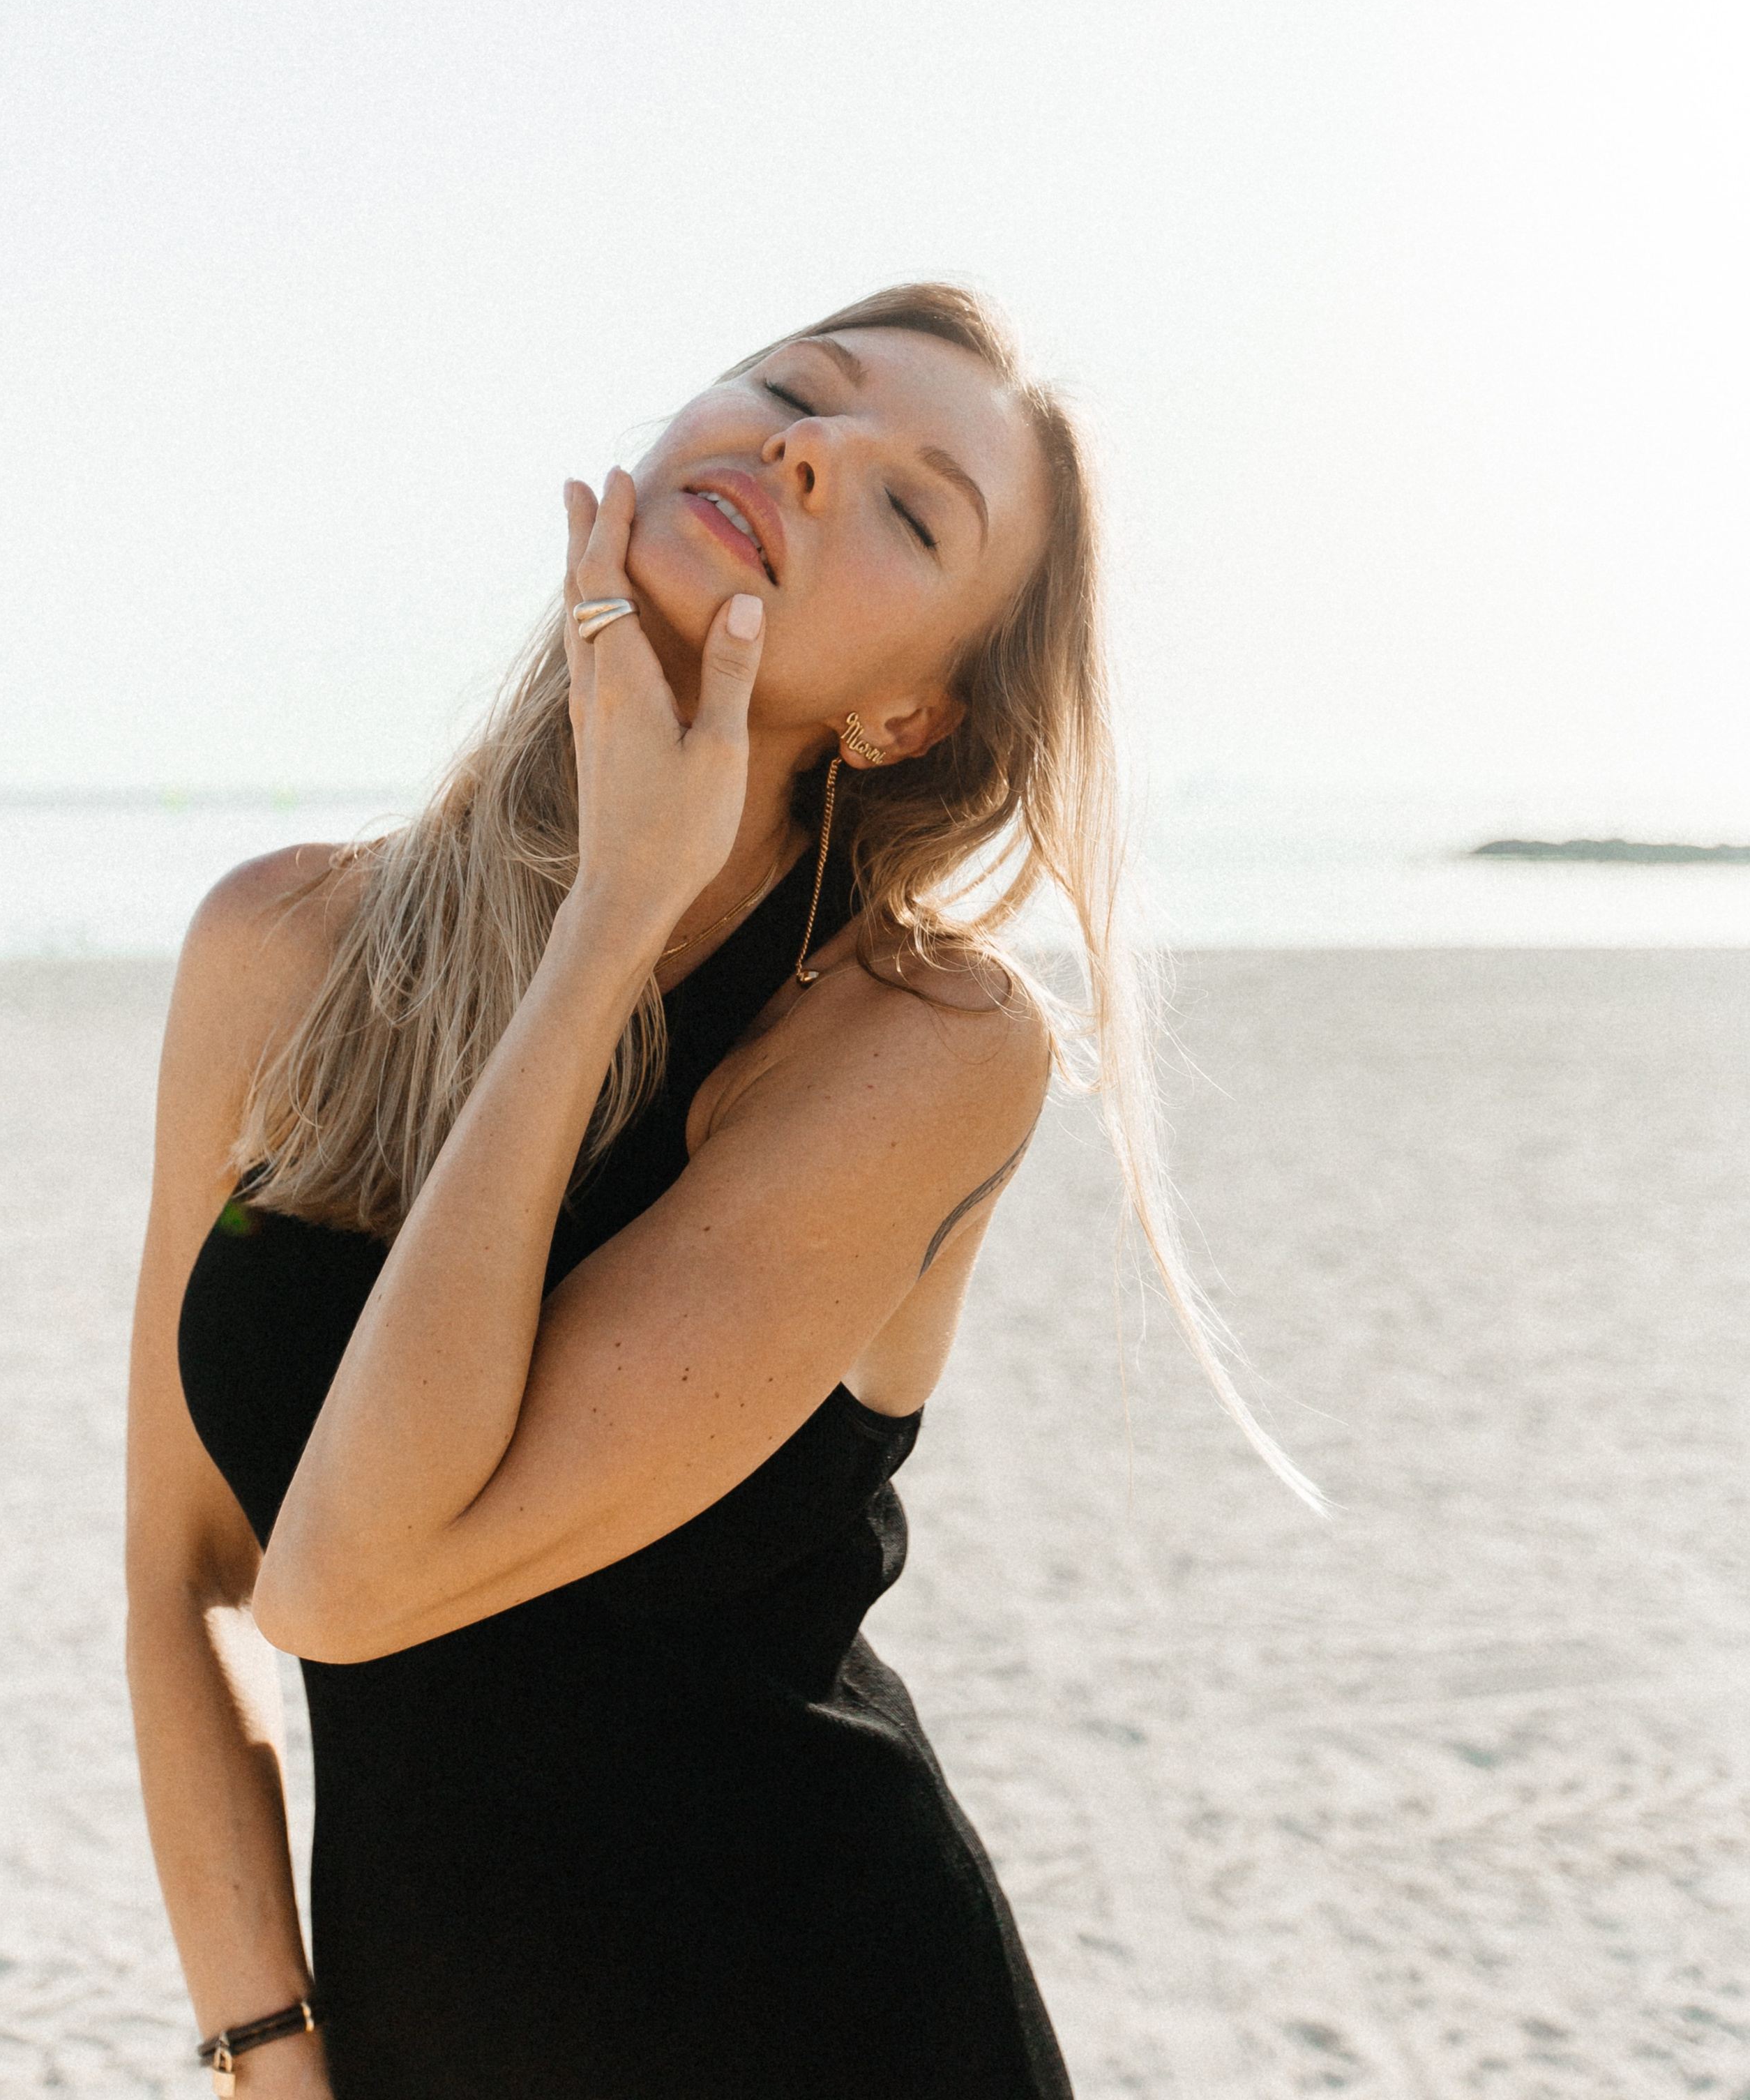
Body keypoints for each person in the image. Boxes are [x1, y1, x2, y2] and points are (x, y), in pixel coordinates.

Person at [126, 282, 1289, 2099]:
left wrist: (609, 928)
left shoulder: (925, 1045)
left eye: (915, 510)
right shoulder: (280, 945)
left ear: (914, 718)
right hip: (415, 2042)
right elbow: (183, 1573)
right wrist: (267, 2051)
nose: (811, 453)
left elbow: (342, 1580)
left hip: (820, 2019)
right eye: (789, 392)